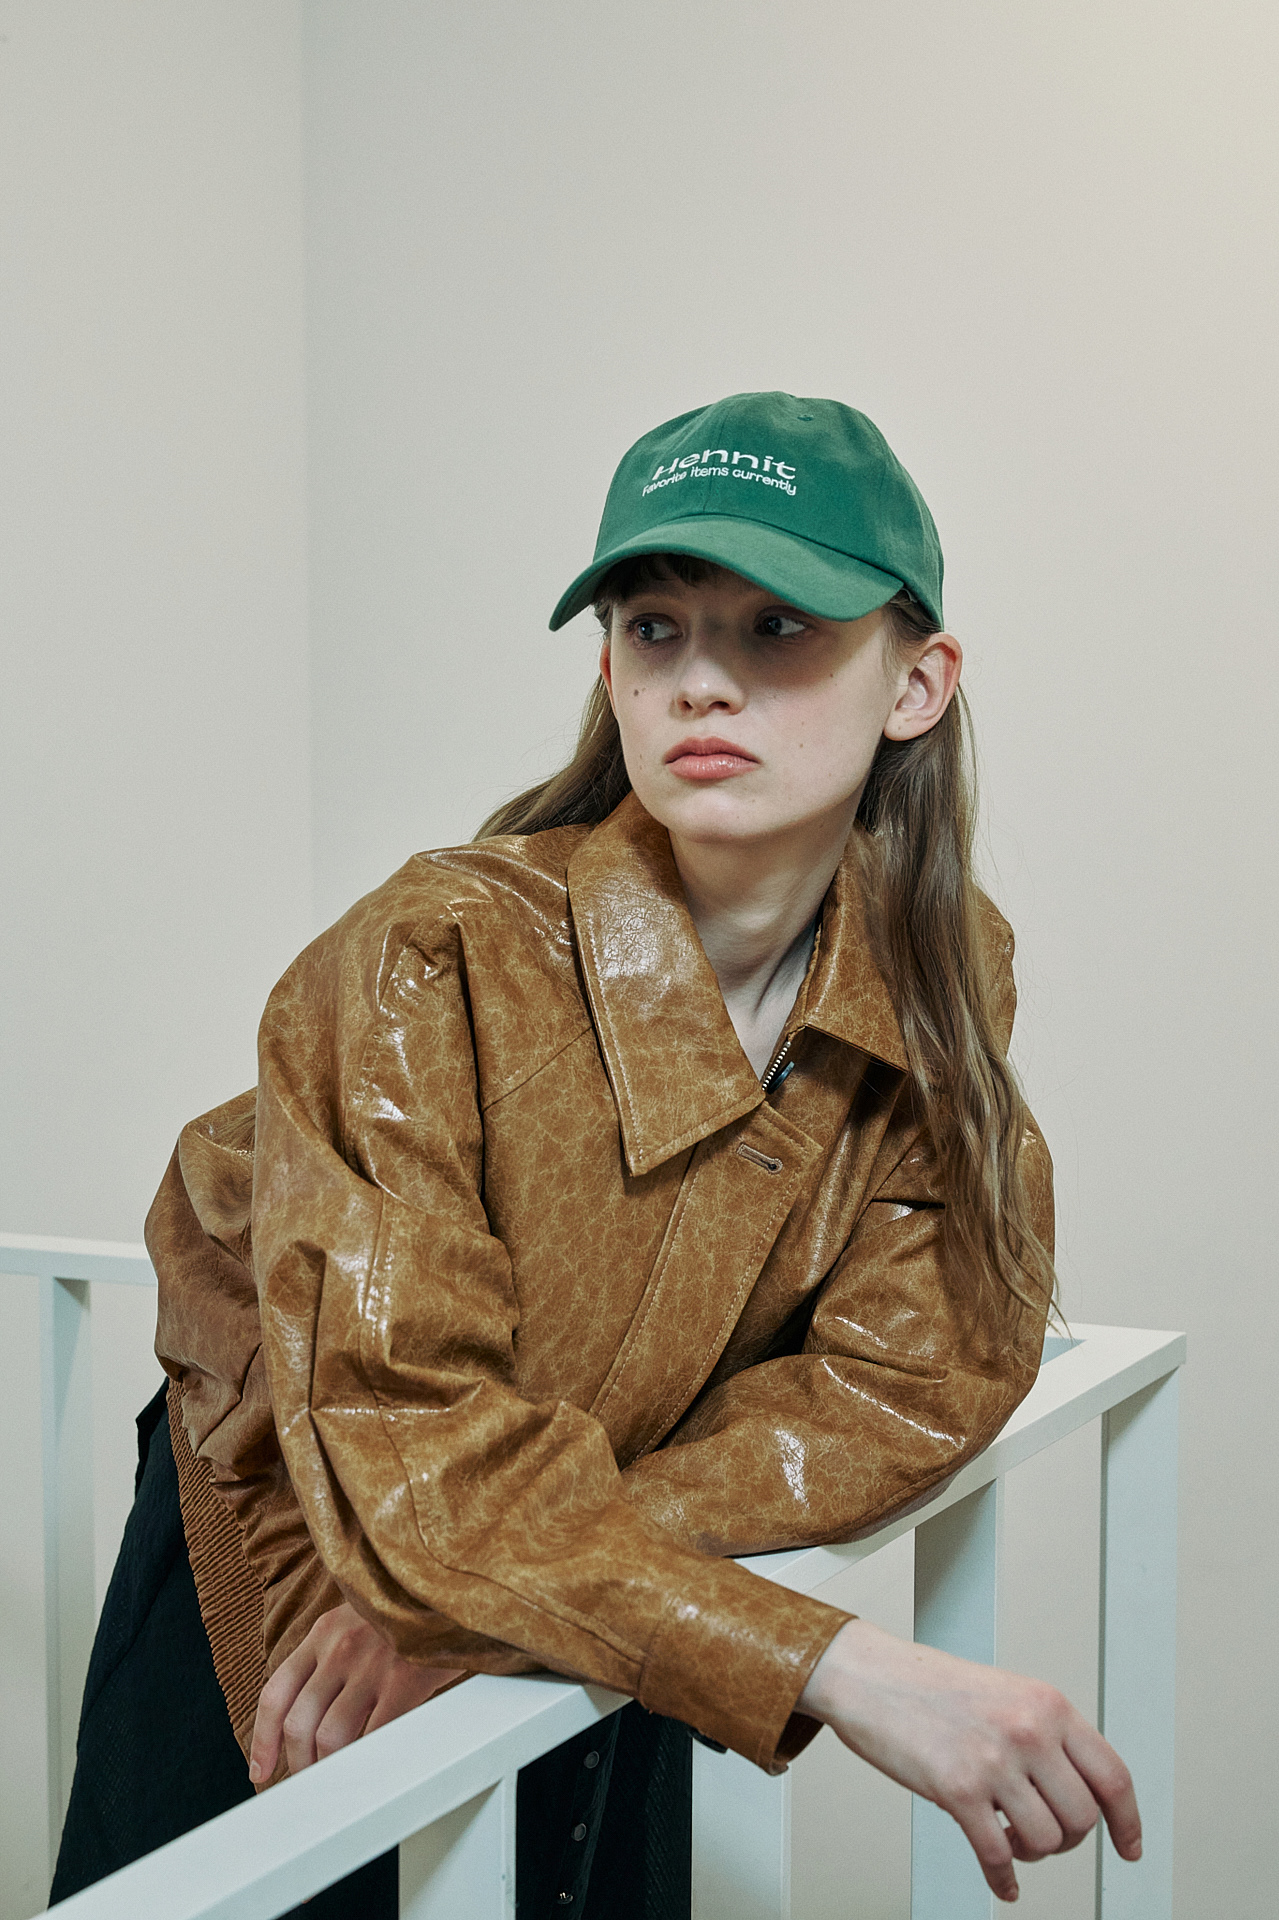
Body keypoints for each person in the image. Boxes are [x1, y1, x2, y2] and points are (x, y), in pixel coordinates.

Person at [52, 391, 1140, 1916]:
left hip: (587, 1574)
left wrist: (487, 1590)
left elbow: (911, 1376)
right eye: (654, 628)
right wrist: (840, 1668)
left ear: (918, 682)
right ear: (609, 669)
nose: (702, 680)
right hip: (304, 1545)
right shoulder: (427, 958)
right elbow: (404, 1443)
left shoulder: (931, 974)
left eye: (777, 628)